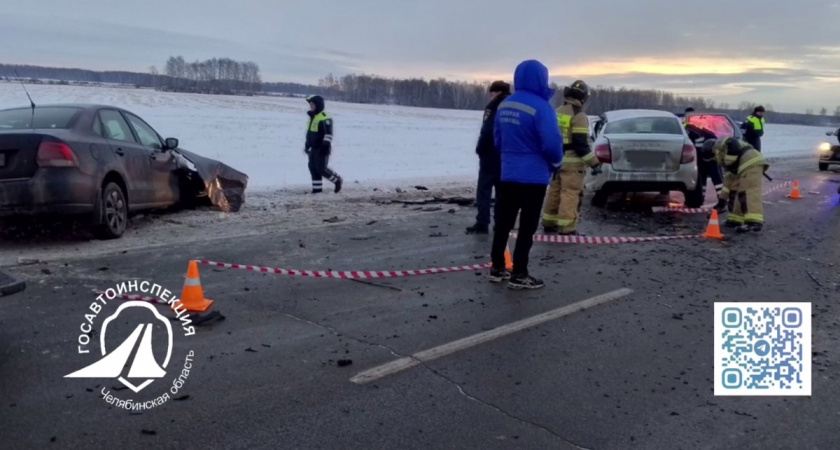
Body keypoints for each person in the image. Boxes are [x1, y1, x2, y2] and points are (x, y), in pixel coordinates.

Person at [489, 60, 564, 289]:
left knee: (503, 222)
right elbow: (552, 144)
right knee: (527, 227)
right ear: (541, 79)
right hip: (533, 177)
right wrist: (557, 162)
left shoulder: (505, 105)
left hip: (508, 173)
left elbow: (498, 139)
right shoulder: (542, 108)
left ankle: (497, 267)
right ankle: (520, 273)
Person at [541, 80, 600, 235]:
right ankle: (567, 227)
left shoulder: (557, 111)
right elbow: (580, 144)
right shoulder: (579, 115)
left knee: (554, 190)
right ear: (583, 97)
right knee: (570, 192)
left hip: (556, 159)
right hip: (572, 163)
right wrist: (594, 163)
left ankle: (548, 222)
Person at [466, 80, 512, 234]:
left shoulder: (493, 106)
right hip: (505, 154)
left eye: (492, 93)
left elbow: (487, 130)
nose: (490, 96)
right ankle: (500, 223)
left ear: (497, 92)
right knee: (501, 192)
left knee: (484, 190)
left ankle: (482, 223)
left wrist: (480, 149)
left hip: (490, 154)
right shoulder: (513, 106)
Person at [701, 137, 769, 232]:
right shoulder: (724, 160)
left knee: (748, 191)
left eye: (713, 158)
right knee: (734, 191)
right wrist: (721, 202)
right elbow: (728, 182)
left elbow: (732, 142)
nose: (715, 160)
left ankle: (754, 221)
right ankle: (735, 219)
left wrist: (730, 161)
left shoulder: (720, 145)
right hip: (743, 167)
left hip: (752, 163)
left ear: (712, 152)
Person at [305, 95, 343, 193]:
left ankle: (337, 180)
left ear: (318, 105)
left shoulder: (325, 118)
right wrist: (307, 144)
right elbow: (310, 133)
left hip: (322, 148)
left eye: (313, 105)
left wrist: (325, 146)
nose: (311, 107)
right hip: (313, 148)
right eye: (310, 105)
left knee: (321, 169)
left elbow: (328, 134)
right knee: (313, 168)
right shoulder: (312, 117)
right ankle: (317, 190)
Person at [683, 110, 724, 198]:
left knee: (709, 178)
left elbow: (700, 141)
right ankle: (719, 200)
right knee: (708, 178)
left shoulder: (687, 128)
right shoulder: (698, 127)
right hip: (708, 155)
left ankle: (720, 199)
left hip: (705, 156)